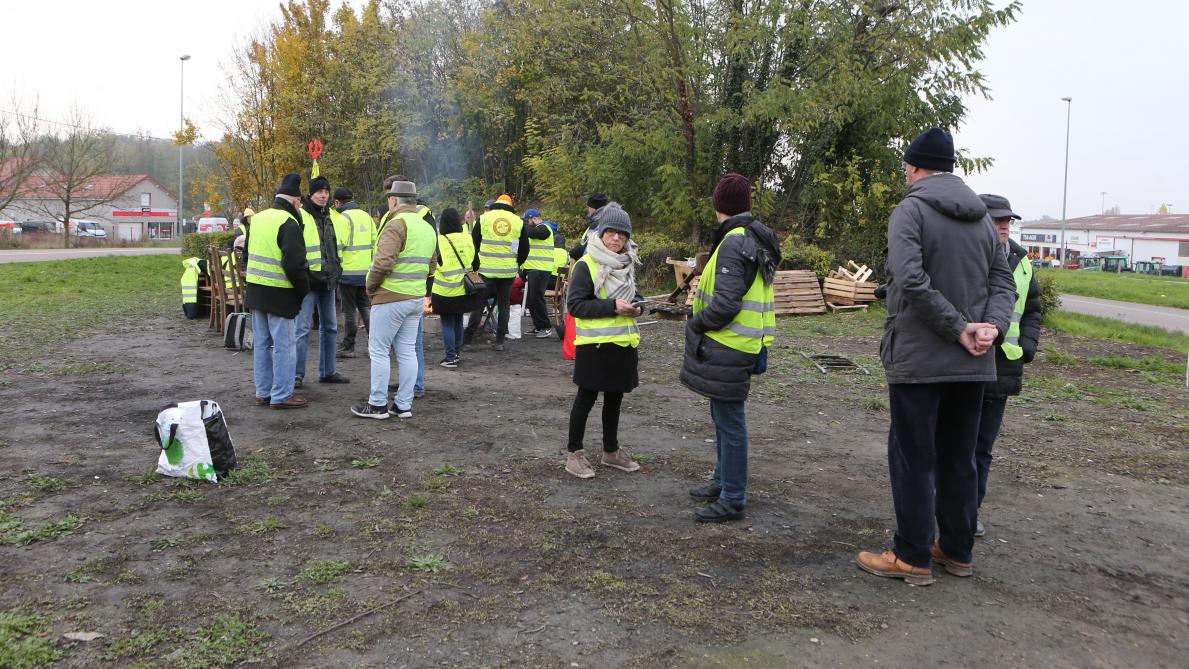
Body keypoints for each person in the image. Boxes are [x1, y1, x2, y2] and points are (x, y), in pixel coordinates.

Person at [856, 128, 1015, 586]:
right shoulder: (984, 220)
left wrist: (958, 327)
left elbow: (908, 278)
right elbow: (1003, 284)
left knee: (913, 456)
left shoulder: (911, 210)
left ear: (913, 167)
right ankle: (957, 549)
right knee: (959, 456)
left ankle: (911, 556)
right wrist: (991, 327)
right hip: (973, 364)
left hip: (919, 362)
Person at [680, 174, 781, 523]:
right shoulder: (753, 237)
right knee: (722, 417)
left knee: (730, 420)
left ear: (717, 204)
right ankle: (722, 482)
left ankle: (733, 497)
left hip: (730, 344)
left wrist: (696, 322)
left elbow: (725, 304)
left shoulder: (735, 242)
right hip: (743, 343)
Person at [975, 193, 1042, 537]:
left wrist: (1028, 345)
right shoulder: (969, 253)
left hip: (1003, 367)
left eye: (1007, 221)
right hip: (968, 364)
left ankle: (970, 513)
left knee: (983, 448)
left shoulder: (1021, 260)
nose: (1003, 227)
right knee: (956, 446)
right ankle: (948, 510)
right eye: (996, 220)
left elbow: (1033, 309)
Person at [564, 205, 643, 478]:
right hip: (594, 346)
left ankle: (610, 451)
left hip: (623, 345)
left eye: (622, 234)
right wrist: (612, 307)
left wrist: (638, 308)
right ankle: (574, 454)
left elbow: (638, 297)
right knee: (585, 399)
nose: (616, 239)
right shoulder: (587, 264)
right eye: (611, 233)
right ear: (600, 233)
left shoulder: (629, 263)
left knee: (615, 399)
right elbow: (575, 306)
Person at [352, 179, 436, 420]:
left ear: (393, 200)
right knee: (407, 351)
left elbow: (383, 262)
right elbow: (432, 265)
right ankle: (403, 405)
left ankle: (377, 404)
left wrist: (370, 286)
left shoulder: (396, 224)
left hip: (389, 297)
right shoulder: (426, 227)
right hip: (415, 298)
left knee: (378, 351)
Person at [244, 173, 310, 409]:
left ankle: (263, 391)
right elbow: (294, 264)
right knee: (284, 346)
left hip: (255, 290)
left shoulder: (258, 219)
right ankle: (282, 394)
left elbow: (246, 255)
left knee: (261, 343)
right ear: (295, 201)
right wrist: (303, 290)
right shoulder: (289, 223)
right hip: (280, 293)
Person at [294, 175, 349, 387]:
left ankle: (328, 371)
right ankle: (297, 375)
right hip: (308, 282)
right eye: (319, 191)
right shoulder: (301, 215)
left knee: (331, 327)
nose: (324, 195)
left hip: (328, 280)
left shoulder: (330, 216)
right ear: (311, 194)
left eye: (326, 191)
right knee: (302, 329)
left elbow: (335, 246)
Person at [466, 193, 529, 351]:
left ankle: (468, 338)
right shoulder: (518, 221)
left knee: (479, 303)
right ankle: (500, 340)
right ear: (510, 206)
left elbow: (474, 242)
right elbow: (524, 248)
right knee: (504, 305)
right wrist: (517, 263)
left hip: (486, 271)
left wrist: (476, 264)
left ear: (496, 204)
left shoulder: (485, 218)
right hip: (507, 273)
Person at [430, 207, 481, 367]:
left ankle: (450, 357)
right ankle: (457, 353)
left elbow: (433, 265)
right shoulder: (467, 238)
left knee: (447, 323)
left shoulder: (439, 241)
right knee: (458, 319)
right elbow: (475, 263)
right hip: (463, 289)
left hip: (444, 290)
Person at [333, 187, 375, 358]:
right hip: (366, 273)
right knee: (365, 308)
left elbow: (338, 246)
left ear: (337, 202)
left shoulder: (343, 219)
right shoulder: (367, 216)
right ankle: (376, 345)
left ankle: (349, 346)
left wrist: (337, 269)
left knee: (350, 311)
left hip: (348, 273)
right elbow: (375, 244)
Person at [520, 208, 556, 338]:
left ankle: (545, 327)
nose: (527, 223)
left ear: (534, 218)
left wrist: (520, 226)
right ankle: (539, 326)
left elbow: (532, 232)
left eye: (527, 220)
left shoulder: (545, 228)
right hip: (534, 269)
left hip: (541, 269)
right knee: (531, 300)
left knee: (537, 298)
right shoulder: (536, 229)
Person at [569, 193, 609, 261]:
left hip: (592, 262)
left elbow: (588, 246)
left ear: (594, 208)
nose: (588, 209)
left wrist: (572, 252)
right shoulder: (606, 219)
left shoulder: (598, 223)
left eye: (589, 207)